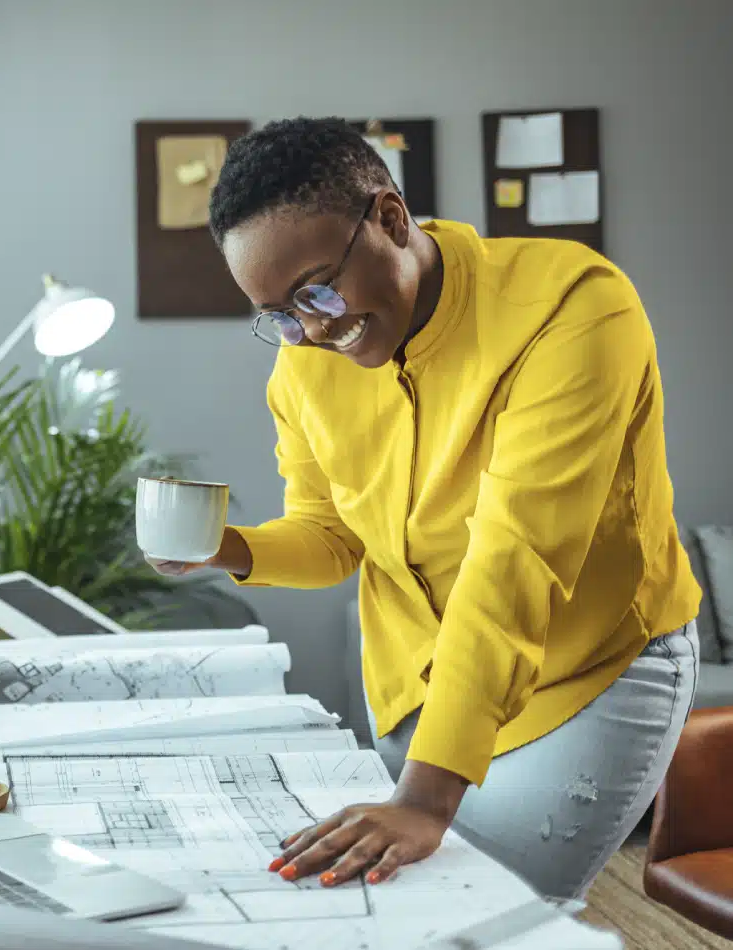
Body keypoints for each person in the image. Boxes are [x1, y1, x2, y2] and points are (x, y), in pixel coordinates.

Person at [149, 117, 701, 901]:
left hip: (587, 672)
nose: (311, 328)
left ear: (390, 217)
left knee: (498, 914)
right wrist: (227, 548)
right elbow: (333, 535)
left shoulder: (575, 309)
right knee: (404, 909)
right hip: (418, 682)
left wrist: (420, 799)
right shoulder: (303, 366)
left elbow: (517, 560)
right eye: (277, 313)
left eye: (315, 289)